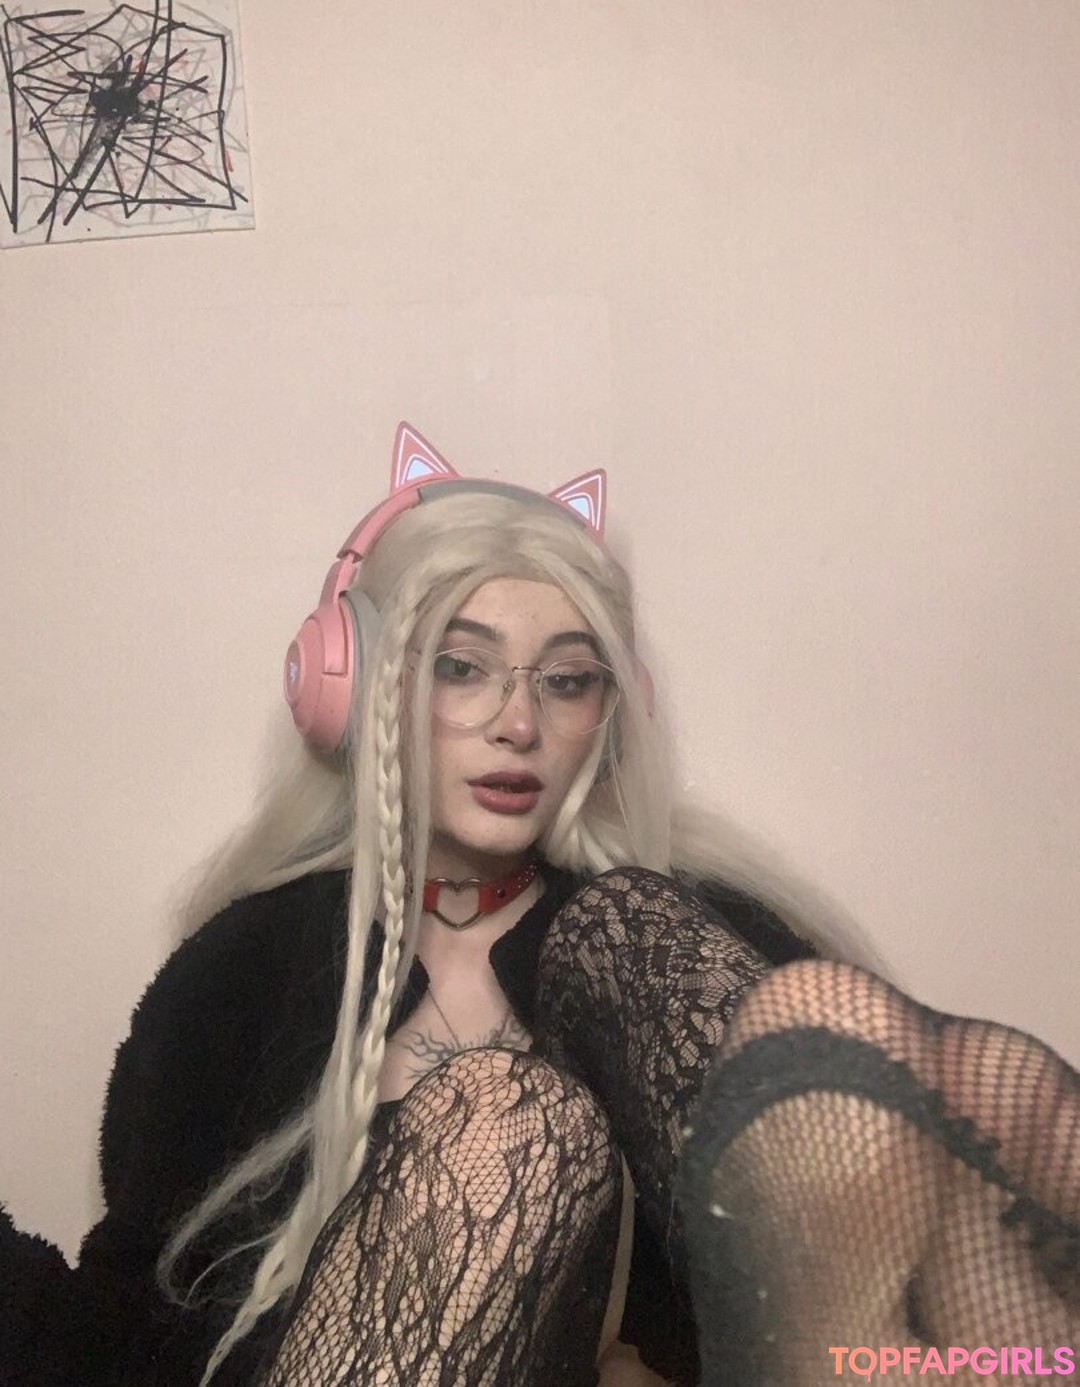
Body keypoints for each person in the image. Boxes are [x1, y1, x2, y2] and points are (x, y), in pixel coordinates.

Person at [2, 424, 1076, 1387]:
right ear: (355, 685)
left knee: (825, 1019)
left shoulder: (674, 938)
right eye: (460, 667)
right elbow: (131, 1321)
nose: (518, 722)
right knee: (510, 1120)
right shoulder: (249, 964)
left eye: (567, 680)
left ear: (611, 709)